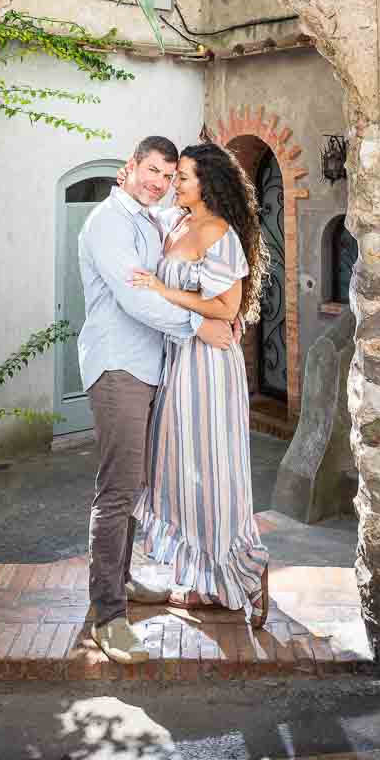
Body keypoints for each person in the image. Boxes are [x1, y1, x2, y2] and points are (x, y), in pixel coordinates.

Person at [77, 136, 235, 665]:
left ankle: (119, 583)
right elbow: (134, 298)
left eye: (169, 176)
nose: (159, 183)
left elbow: (196, 239)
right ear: (130, 167)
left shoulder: (149, 217)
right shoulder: (109, 223)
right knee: (118, 491)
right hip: (118, 365)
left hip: (148, 368)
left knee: (134, 485)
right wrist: (200, 325)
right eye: (152, 171)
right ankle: (108, 617)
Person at [129, 142, 271, 626]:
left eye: (184, 176)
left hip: (208, 365)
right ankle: (205, 575)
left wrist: (162, 290)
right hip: (177, 355)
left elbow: (226, 310)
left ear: (207, 182)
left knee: (213, 466)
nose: (176, 183)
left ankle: (245, 571)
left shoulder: (219, 233)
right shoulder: (176, 222)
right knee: (176, 465)